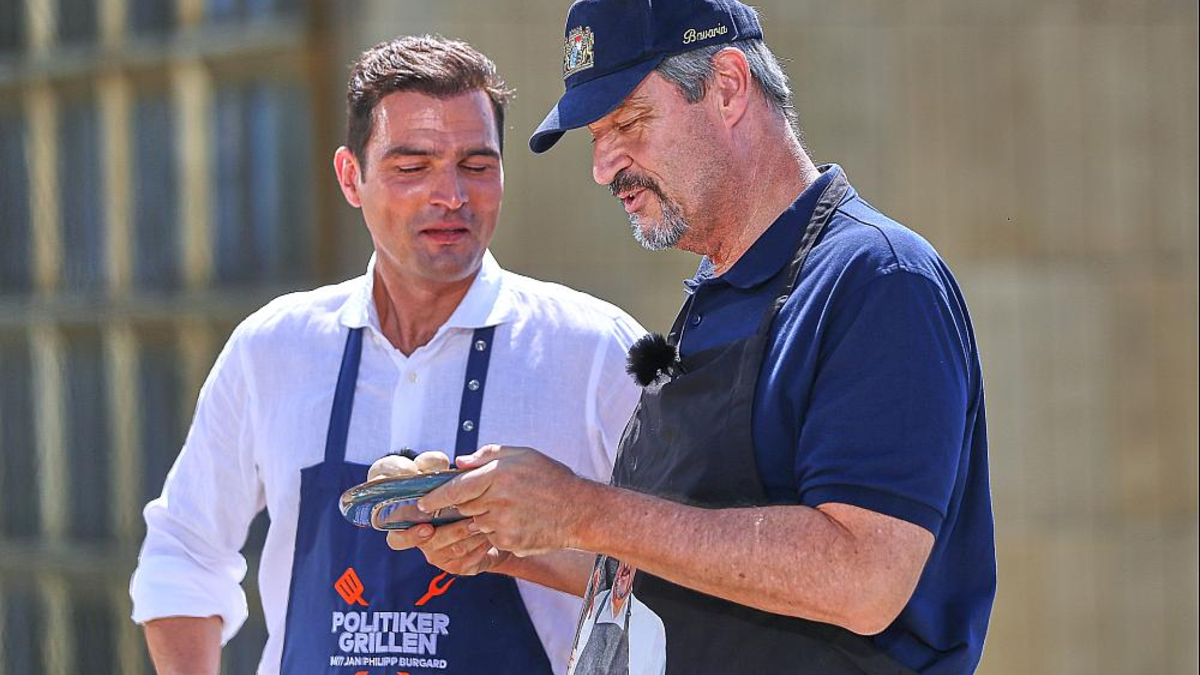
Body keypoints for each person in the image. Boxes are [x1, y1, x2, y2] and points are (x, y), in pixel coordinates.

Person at [387, 2, 996, 674]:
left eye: (627, 122)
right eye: (596, 135)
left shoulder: (879, 280)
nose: (602, 166)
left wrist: (583, 508)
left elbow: (863, 575)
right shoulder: (719, 294)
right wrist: (508, 537)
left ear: (729, 86)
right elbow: (691, 564)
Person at [129, 35, 645, 675]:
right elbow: (183, 552)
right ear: (351, 176)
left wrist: (514, 544)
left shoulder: (593, 351)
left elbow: (675, 575)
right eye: (412, 166)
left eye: (477, 165)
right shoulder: (273, 349)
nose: (451, 195)